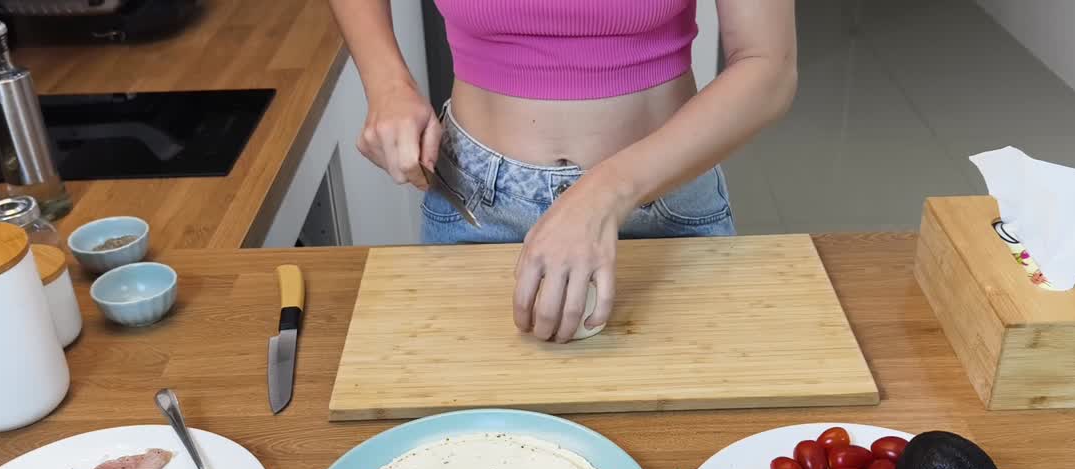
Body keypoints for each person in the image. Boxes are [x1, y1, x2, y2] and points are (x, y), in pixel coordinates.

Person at [327, 1, 797, 342]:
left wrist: (607, 191)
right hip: (476, 207)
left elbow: (768, 67)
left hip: (662, 210)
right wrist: (387, 84)